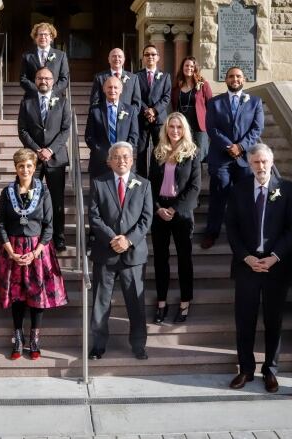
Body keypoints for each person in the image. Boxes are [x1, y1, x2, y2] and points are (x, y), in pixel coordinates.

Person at [225, 144, 292, 393]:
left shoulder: (287, 189)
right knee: (244, 320)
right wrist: (245, 257)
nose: (261, 166)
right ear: (249, 163)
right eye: (256, 162)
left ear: (272, 161)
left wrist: (275, 257)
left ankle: (270, 370)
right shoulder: (238, 190)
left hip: (275, 267)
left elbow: (291, 229)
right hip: (247, 266)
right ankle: (245, 369)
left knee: (273, 321)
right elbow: (232, 228)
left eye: (265, 161)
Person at [0, 148, 67, 360]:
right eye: (21, 166)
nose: (25, 170)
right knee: (17, 296)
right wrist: (11, 252)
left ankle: (34, 339)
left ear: (35, 168)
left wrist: (36, 252)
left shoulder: (43, 191)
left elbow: (49, 226)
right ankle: (18, 337)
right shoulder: (7, 192)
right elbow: (1, 225)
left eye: (29, 166)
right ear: (16, 168)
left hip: (37, 250)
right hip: (12, 249)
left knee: (36, 295)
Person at [88, 142, 153, 361]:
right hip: (105, 253)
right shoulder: (99, 183)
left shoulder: (143, 184)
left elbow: (146, 219)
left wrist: (129, 240)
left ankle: (138, 345)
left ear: (132, 159)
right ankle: (97, 345)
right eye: (116, 157)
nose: (121, 160)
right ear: (109, 160)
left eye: (126, 156)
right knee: (100, 302)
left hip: (133, 255)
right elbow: (94, 217)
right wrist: (113, 239)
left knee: (135, 302)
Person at [202, 66, 263, 249]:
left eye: (238, 76)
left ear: (243, 79)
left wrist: (241, 147)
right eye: (231, 76)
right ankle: (212, 232)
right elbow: (212, 128)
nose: (234, 79)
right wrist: (230, 146)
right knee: (218, 194)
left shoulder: (255, 102)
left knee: (244, 198)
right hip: (221, 157)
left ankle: (244, 234)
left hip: (245, 158)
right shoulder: (214, 102)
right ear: (226, 80)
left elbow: (257, 128)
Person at [148, 113, 200, 324]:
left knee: (184, 259)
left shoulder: (193, 153)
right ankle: (161, 302)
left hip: (182, 213)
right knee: (160, 260)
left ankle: (185, 302)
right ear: (166, 129)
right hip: (160, 212)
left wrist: (175, 210)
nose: (175, 130)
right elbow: (150, 183)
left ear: (184, 129)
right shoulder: (158, 151)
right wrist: (158, 208)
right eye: (171, 127)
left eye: (179, 127)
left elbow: (195, 187)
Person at [18, 67, 71, 251]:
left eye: (47, 78)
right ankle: (31, 233)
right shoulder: (27, 102)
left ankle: (58, 237)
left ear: (53, 81)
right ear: (35, 80)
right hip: (32, 160)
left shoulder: (63, 103)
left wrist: (50, 150)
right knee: (29, 197)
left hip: (56, 158)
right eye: (40, 78)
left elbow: (65, 130)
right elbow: (22, 130)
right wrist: (36, 150)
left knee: (57, 200)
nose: (44, 81)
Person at [85, 75, 139, 178]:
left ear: (121, 90)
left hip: (124, 164)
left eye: (115, 87)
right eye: (109, 87)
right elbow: (89, 137)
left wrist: (120, 156)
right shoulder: (95, 110)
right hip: (100, 163)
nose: (112, 90)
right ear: (104, 89)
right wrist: (107, 156)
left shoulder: (130, 110)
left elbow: (134, 137)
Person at [135, 45, 171, 177]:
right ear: (143, 58)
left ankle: (157, 177)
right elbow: (136, 97)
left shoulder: (165, 76)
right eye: (147, 54)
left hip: (159, 119)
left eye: (153, 54)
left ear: (158, 57)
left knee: (159, 150)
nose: (150, 57)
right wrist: (147, 110)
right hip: (141, 118)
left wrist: (154, 111)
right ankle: (141, 178)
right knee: (141, 151)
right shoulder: (136, 76)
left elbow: (166, 97)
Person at [171, 56, 213, 164]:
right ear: (182, 67)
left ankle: (198, 179)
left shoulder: (203, 85)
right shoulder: (177, 86)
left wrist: (210, 124)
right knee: (182, 152)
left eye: (192, 66)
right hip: (182, 124)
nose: (189, 68)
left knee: (199, 154)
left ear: (195, 68)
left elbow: (211, 105)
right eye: (186, 66)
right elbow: (174, 104)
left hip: (199, 124)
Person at [19, 22, 69, 98]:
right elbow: (23, 79)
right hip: (33, 98)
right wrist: (38, 92)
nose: (43, 37)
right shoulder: (27, 56)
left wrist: (50, 92)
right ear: (35, 38)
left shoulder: (61, 56)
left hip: (54, 99)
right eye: (40, 34)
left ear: (51, 37)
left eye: (46, 34)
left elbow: (64, 79)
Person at [89, 48, 142, 116]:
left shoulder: (133, 78)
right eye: (114, 56)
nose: (117, 59)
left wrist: (129, 116)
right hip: (106, 119)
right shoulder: (100, 78)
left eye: (119, 56)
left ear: (124, 60)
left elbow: (137, 103)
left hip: (126, 120)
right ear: (109, 59)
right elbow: (95, 102)